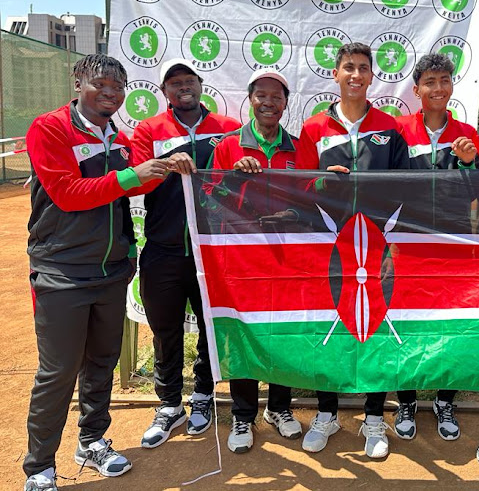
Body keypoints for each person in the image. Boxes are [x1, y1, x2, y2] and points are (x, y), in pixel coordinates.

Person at [23, 54, 170, 491]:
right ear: (78, 82)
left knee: (102, 362)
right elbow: (67, 194)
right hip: (61, 270)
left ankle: (91, 440)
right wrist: (131, 176)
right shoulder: (50, 128)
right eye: (102, 84)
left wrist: (171, 165)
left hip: (110, 270)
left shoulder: (118, 137)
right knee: (58, 371)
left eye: (118, 87)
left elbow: (137, 181)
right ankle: (40, 466)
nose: (111, 93)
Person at [296, 42, 409, 459]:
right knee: (333, 323)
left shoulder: (391, 127)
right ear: (336, 74)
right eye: (348, 67)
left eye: (363, 68)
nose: (356, 75)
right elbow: (301, 187)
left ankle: (375, 417)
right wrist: (321, 182)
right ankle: (326, 414)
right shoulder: (313, 128)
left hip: (377, 245)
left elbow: (404, 186)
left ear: (372, 76)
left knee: (375, 325)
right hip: (330, 245)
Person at [130, 59, 239, 449]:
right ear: (165, 92)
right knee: (165, 330)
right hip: (164, 248)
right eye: (174, 84)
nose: (183, 88)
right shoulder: (149, 129)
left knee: (212, 329)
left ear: (200, 84)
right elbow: (131, 180)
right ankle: (169, 403)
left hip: (213, 249)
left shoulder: (227, 129)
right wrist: (163, 165)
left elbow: (242, 183)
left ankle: (204, 396)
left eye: (189, 81)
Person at [210, 69, 303, 453]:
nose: (269, 103)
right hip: (243, 260)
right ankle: (244, 415)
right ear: (251, 99)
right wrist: (233, 179)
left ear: (286, 103)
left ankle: (279, 408)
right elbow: (209, 202)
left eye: (277, 97)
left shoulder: (299, 147)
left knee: (283, 332)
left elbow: (312, 200)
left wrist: (297, 212)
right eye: (261, 95)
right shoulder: (228, 146)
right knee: (244, 334)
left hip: (286, 258)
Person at [392, 53, 479, 442]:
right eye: (430, 81)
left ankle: (446, 400)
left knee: (449, 325)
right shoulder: (397, 131)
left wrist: (465, 164)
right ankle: (407, 400)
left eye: (444, 80)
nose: (438, 88)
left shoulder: (467, 132)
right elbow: (385, 186)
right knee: (408, 325)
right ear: (416, 90)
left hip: (452, 248)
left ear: (451, 86)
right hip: (407, 248)